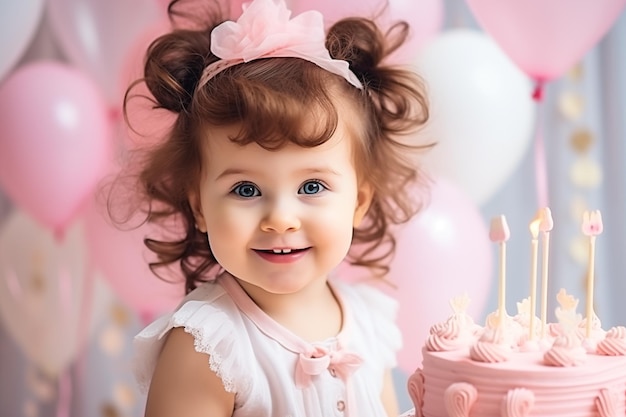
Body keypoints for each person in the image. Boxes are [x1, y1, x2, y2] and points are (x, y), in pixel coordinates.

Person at [118, 0, 430, 415]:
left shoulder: (369, 323)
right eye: (246, 190)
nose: (281, 219)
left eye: (312, 185)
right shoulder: (209, 345)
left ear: (359, 201)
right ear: (200, 208)